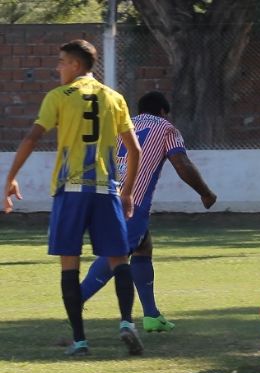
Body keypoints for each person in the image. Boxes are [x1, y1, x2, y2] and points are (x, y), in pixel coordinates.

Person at [3, 39, 144, 356]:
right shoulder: (114, 98)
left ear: (76, 65)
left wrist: (10, 177)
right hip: (106, 190)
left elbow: (32, 137)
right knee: (118, 259)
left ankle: (80, 341)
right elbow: (134, 149)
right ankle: (127, 323)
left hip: (71, 190)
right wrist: (127, 191)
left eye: (61, 61)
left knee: (70, 264)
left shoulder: (58, 97)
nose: (58, 68)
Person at [79, 91, 217, 332]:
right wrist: (206, 193)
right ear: (163, 111)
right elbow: (182, 163)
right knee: (116, 255)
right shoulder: (166, 128)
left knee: (143, 246)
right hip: (132, 202)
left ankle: (152, 315)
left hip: (103, 194)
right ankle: (76, 299)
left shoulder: (124, 123)